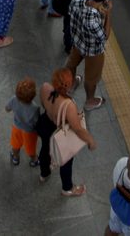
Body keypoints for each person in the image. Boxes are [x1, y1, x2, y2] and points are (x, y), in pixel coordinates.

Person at [36, 68, 96, 196]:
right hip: (59, 130)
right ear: (68, 85)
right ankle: (67, 188)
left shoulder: (45, 87)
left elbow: (43, 104)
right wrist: (90, 140)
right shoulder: (69, 105)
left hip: (45, 124)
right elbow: (78, 129)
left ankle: (44, 174)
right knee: (65, 161)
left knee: (45, 148)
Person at [65, 0, 114, 111]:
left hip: (77, 43)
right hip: (93, 52)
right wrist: (108, 14)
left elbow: (72, 14)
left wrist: (98, 11)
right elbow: (104, 37)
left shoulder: (76, 1)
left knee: (71, 64)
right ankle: (89, 101)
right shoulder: (93, 20)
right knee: (91, 78)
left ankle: (71, 85)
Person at [6, 77, 40, 167]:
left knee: (15, 145)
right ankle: (34, 160)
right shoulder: (35, 108)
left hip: (16, 128)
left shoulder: (14, 99)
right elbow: (36, 122)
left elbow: (7, 108)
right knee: (30, 148)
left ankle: (15, 158)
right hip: (29, 132)